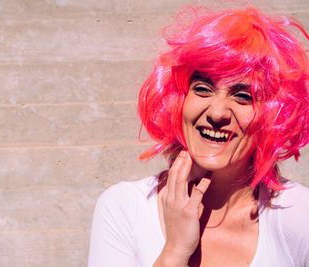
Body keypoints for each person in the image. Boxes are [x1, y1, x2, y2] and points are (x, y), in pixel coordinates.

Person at [88, 6, 309, 267]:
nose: (217, 113)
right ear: (177, 99)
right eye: (203, 89)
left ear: (275, 114)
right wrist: (174, 251)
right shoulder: (124, 208)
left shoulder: (299, 216)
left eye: (243, 96)